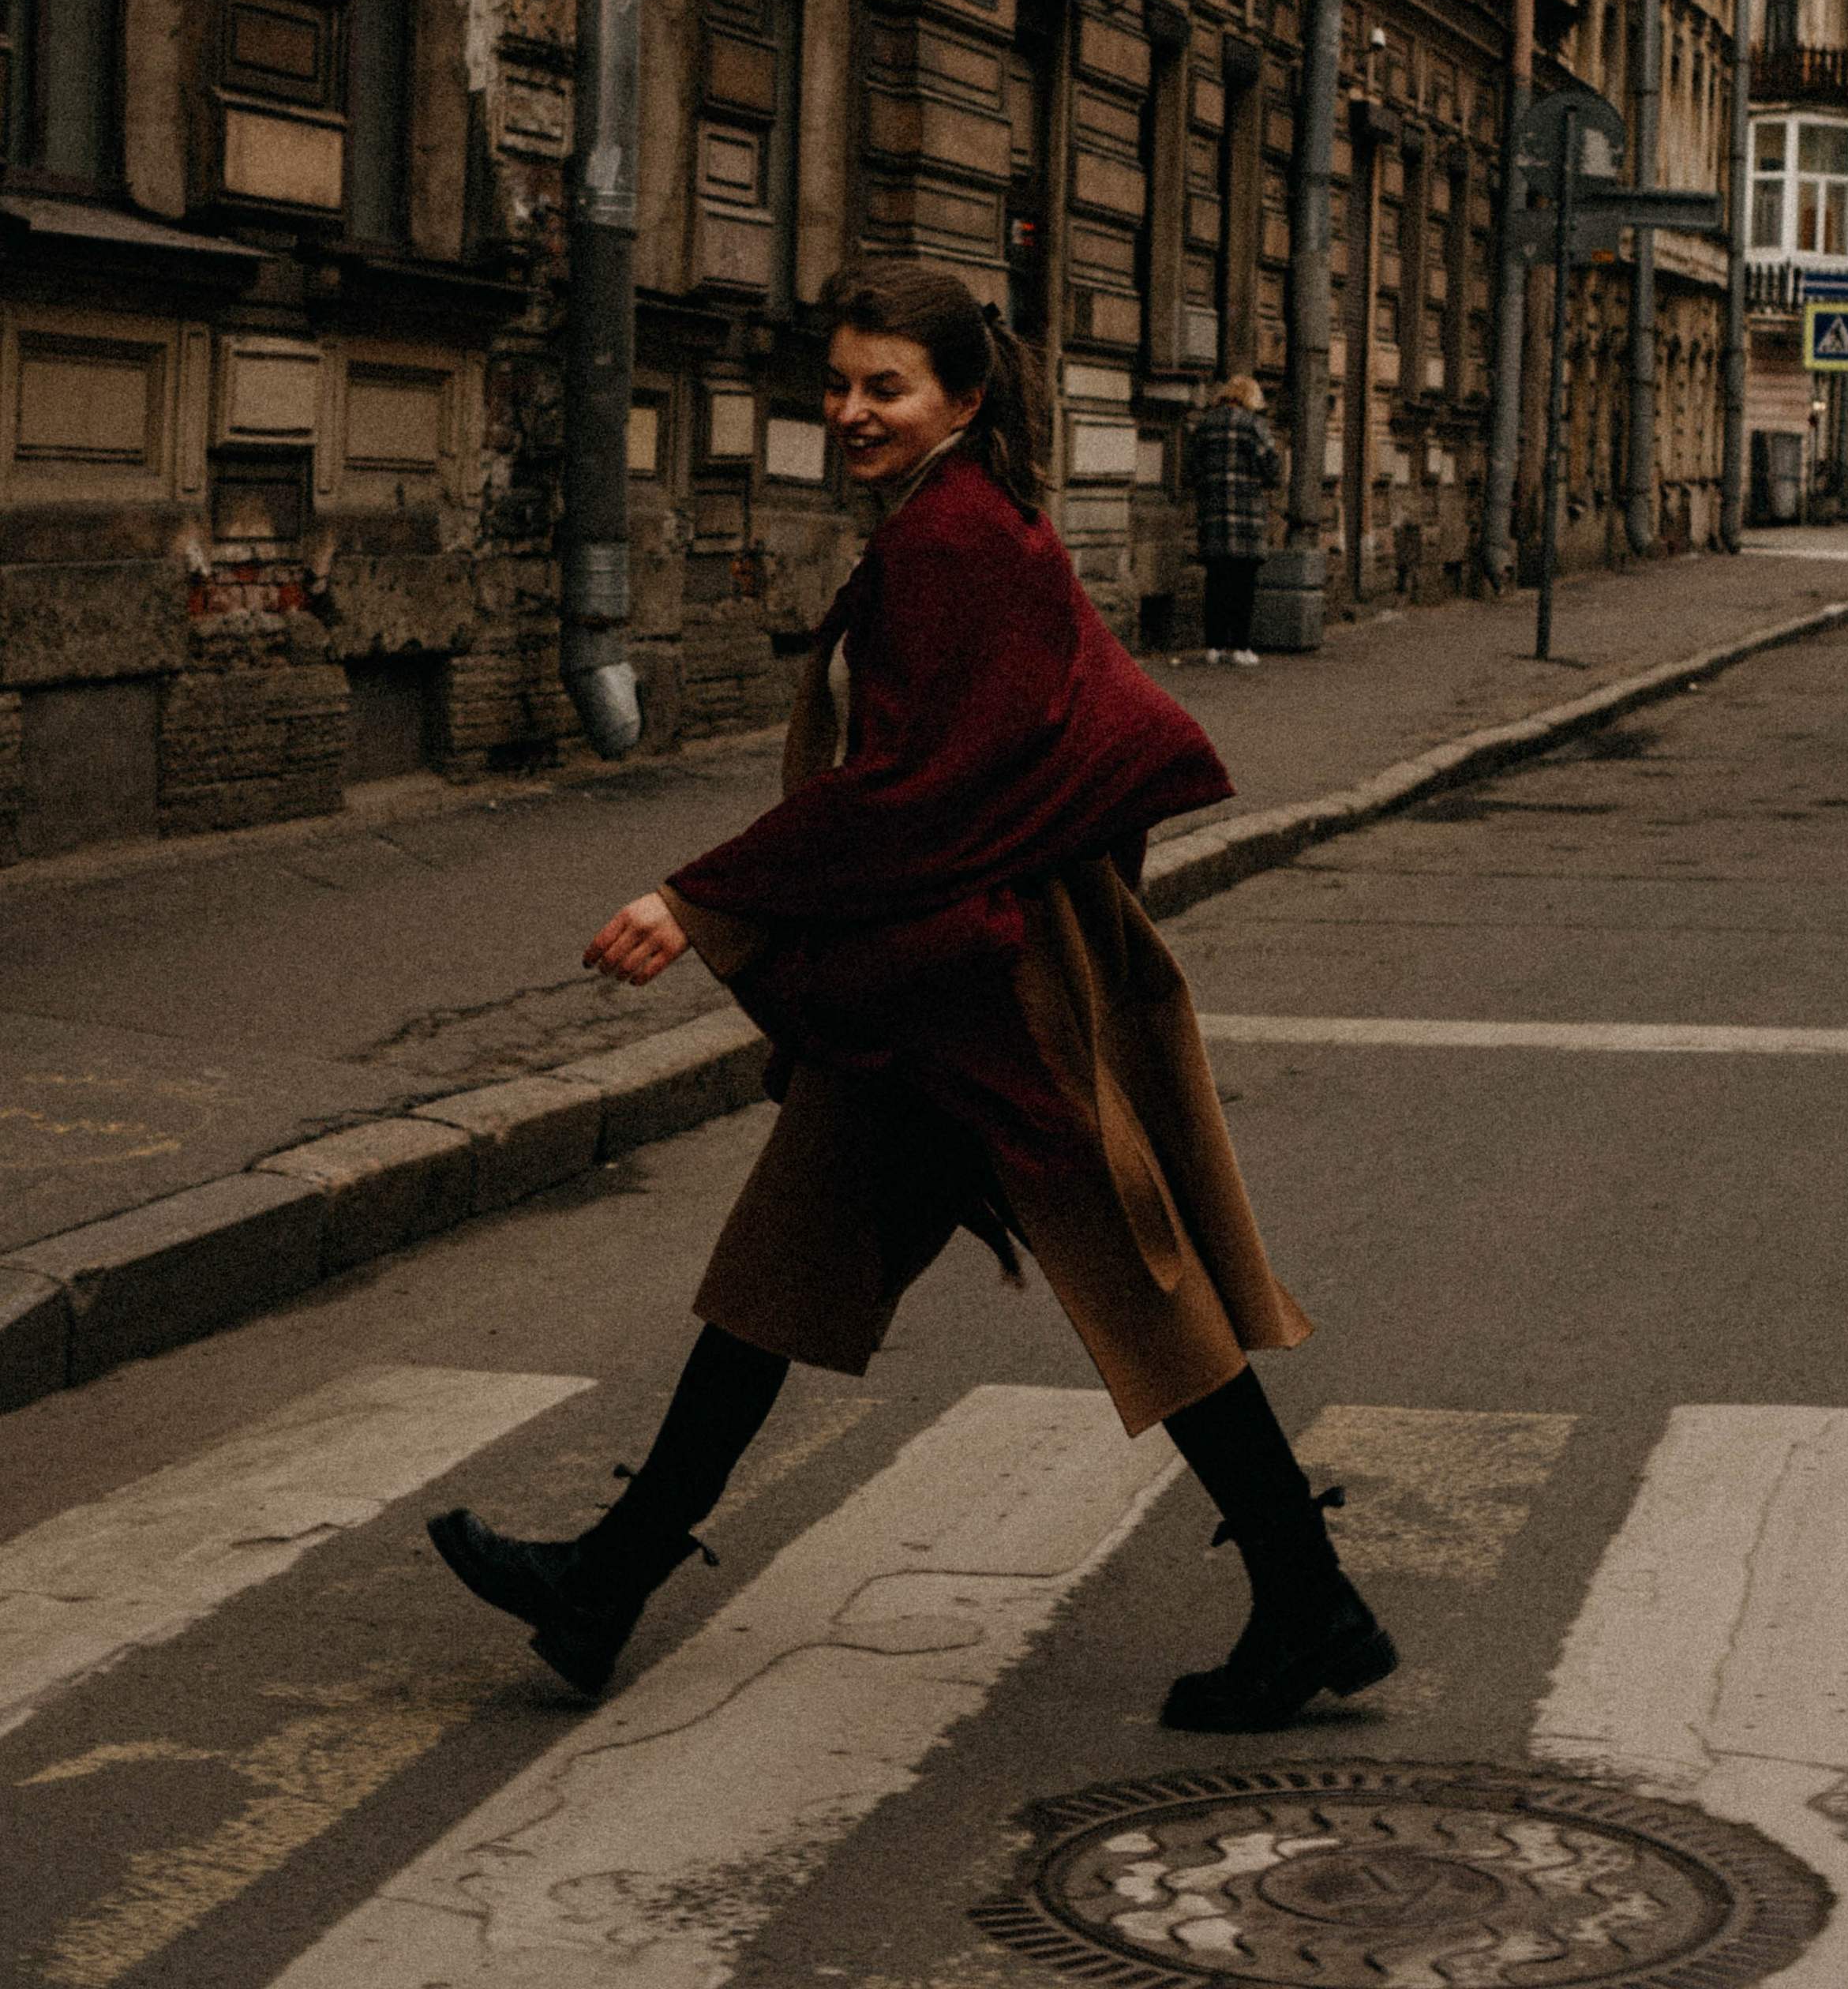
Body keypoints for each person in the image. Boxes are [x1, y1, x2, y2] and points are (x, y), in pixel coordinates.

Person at [428, 263, 1394, 1734]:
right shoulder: (968, 520)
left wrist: (700, 900)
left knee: (1143, 1282)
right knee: (782, 1266)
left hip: (981, 990)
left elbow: (918, 789)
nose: (852, 410)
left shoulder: (955, 538)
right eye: (840, 383)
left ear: (962, 395)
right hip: (942, 975)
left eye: (887, 386)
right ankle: (609, 1577)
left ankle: (1308, 1595)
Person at [1188, 373, 1280, 663]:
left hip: (1214, 515)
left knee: (1216, 581)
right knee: (1243, 584)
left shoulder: (1205, 425)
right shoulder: (1255, 427)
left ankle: (1213, 647)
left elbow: (1192, 467)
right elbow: (1273, 468)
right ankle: (1241, 647)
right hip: (1246, 519)